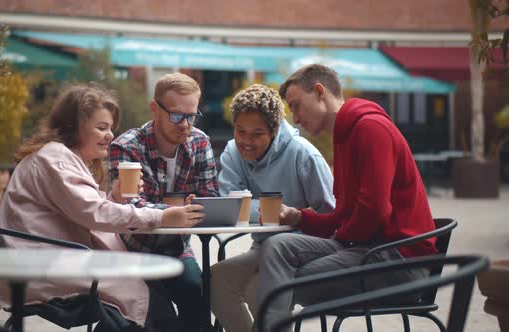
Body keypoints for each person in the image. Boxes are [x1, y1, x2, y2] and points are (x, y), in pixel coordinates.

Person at [0, 82, 204, 332]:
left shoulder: (62, 158)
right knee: (147, 298)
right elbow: (94, 214)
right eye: (101, 128)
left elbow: (83, 208)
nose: (110, 136)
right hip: (47, 267)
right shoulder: (55, 160)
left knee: (154, 295)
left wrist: (114, 198)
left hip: (54, 260)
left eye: (111, 128)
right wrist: (162, 217)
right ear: (75, 126)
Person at [255, 64, 437, 331]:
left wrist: (341, 237)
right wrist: (300, 217)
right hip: (369, 249)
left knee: (290, 282)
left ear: (319, 92)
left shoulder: (371, 128)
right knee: (277, 246)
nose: (294, 118)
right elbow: (345, 214)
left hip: (398, 261)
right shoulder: (344, 137)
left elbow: (375, 211)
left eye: (295, 105)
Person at [209, 84, 335, 332]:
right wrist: (269, 210)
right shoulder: (233, 152)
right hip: (261, 248)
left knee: (259, 291)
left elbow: (330, 216)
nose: (246, 141)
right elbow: (230, 203)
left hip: (303, 252)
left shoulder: (305, 156)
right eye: (240, 130)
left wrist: (256, 208)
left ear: (274, 130)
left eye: (256, 134)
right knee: (215, 279)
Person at [108, 73, 219, 332]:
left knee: (198, 295)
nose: (185, 125)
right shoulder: (125, 147)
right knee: (151, 317)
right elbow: (130, 208)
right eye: (177, 115)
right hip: (131, 251)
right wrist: (175, 212)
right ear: (155, 110)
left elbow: (210, 196)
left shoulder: (199, 142)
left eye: (191, 116)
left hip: (175, 248)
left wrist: (200, 204)